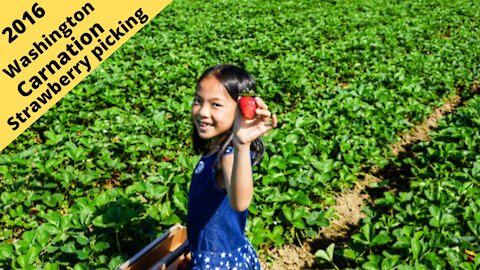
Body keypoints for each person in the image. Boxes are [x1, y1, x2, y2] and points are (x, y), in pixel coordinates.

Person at [186, 64, 277, 269]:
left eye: (215, 105)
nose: (202, 112)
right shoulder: (215, 148)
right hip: (209, 252)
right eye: (198, 101)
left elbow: (240, 202)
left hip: (217, 263)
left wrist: (242, 144)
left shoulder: (229, 156)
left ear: (240, 111)